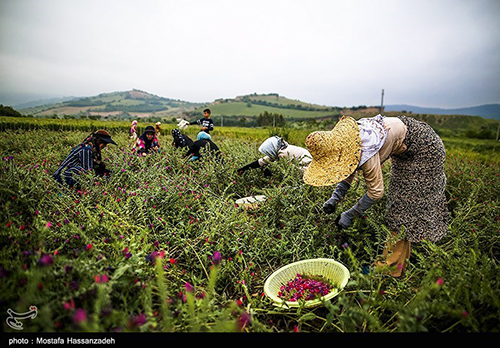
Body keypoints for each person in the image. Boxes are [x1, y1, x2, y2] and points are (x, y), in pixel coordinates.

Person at [303, 115, 449, 277]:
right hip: (405, 145)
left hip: (424, 150)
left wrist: (350, 214)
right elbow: (346, 168)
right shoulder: (347, 141)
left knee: (402, 209)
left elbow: (376, 192)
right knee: (400, 203)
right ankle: (399, 261)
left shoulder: (367, 152)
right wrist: (335, 198)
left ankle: (389, 268)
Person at [53, 130, 117, 189]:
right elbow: (88, 171)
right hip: (62, 178)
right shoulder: (85, 150)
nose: (105, 146)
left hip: (68, 176)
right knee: (80, 171)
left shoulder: (92, 150)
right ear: (97, 141)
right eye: (104, 143)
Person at [237, 136, 312, 177]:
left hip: (307, 167)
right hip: (302, 166)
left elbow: (284, 171)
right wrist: (244, 168)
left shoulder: (284, 153)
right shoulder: (279, 150)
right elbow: (261, 161)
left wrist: (271, 173)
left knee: (289, 177)